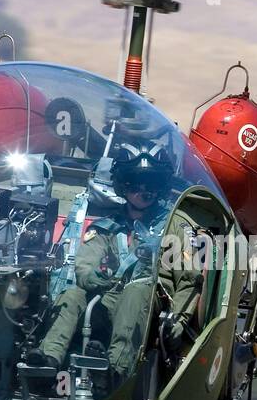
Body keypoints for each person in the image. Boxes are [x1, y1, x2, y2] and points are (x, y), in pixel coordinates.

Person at [30, 139, 198, 380]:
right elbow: (84, 264)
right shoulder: (109, 226)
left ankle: (114, 371)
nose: (144, 190)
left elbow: (189, 281)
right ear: (122, 184)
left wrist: (179, 322)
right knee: (74, 294)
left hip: (151, 305)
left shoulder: (175, 225)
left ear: (161, 186)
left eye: (151, 183)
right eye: (135, 183)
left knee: (136, 290)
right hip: (109, 298)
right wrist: (96, 277)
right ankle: (48, 361)